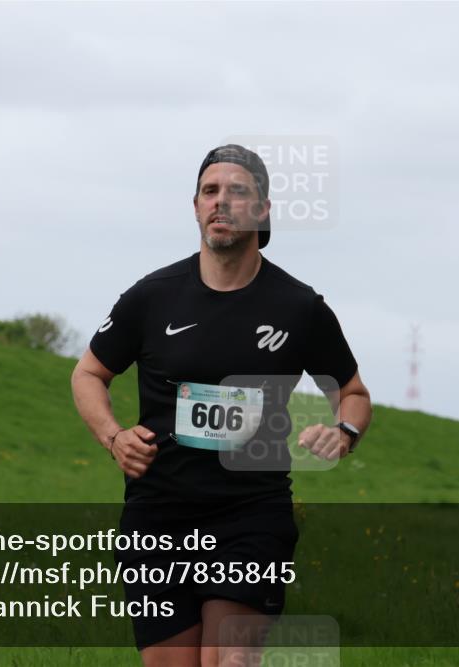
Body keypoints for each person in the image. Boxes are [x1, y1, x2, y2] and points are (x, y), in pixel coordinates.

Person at [70, 144, 372, 667]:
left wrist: (343, 432)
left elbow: (353, 393)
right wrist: (113, 436)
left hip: (251, 514)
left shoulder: (299, 307)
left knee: (230, 660)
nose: (221, 201)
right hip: (158, 514)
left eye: (237, 191)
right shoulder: (152, 296)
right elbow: (88, 374)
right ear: (195, 207)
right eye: (210, 191)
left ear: (263, 209)